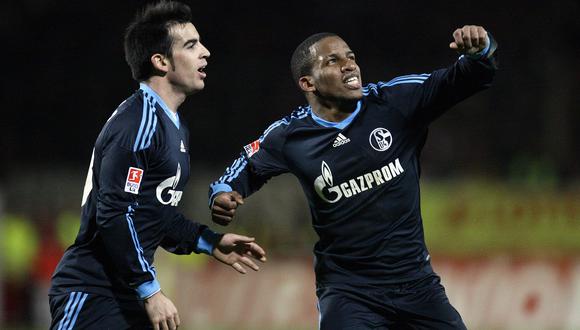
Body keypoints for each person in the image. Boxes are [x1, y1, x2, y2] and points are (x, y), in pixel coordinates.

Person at [209, 25, 498, 329]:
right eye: (332, 61)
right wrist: (223, 192)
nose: (349, 64)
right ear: (308, 83)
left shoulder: (394, 102)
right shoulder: (290, 136)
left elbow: (464, 78)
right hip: (348, 294)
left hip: (417, 286)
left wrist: (479, 50)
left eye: (350, 57)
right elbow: (246, 165)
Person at [49, 2, 267, 329]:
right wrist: (151, 292)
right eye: (191, 45)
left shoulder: (173, 126)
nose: (205, 52)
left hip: (126, 293)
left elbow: (154, 215)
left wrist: (209, 241)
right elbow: (116, 213)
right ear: (161, 61)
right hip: (93, 292)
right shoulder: (137, 124)